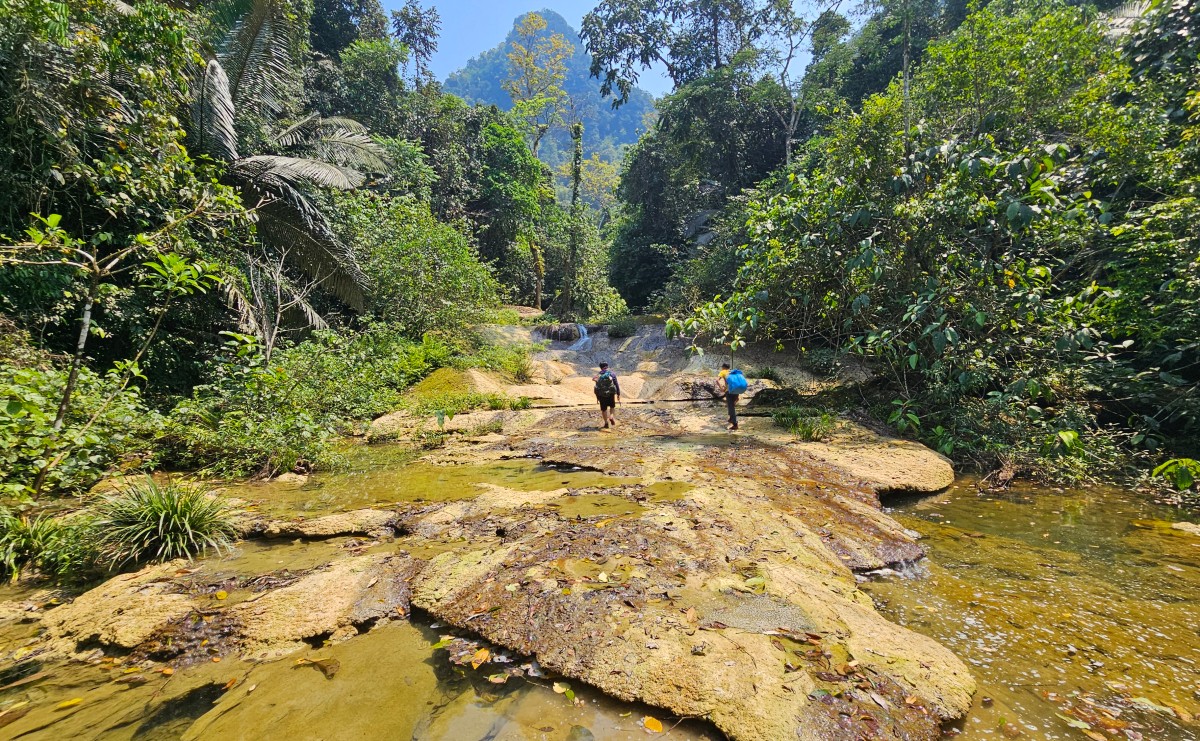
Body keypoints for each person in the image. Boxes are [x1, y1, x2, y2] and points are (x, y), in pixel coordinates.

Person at [717, 362, 746, 430]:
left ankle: (735, 424)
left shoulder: (723, 372)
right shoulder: (732, 372)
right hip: (736, 390)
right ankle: (731, 418)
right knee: (731, 405)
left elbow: (717, 380)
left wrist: (721, 388)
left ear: (723, 367)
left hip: (729, 391)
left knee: (731, 407)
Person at [592, 362, 621, 429]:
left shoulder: (598, 375)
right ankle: (611, 416)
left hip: (601, 395)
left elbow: (594, 381)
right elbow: (616, 384)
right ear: (607, 366)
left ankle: (606, 423)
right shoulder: (612, 374)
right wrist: (618, 394)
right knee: (612, 406)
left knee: (604, 409)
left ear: (600, 367)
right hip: (611, 393)